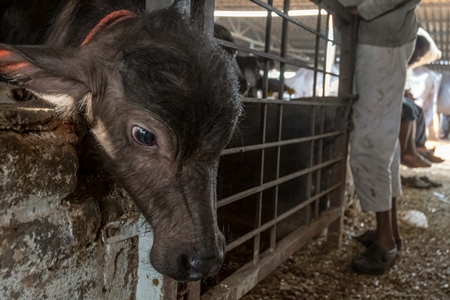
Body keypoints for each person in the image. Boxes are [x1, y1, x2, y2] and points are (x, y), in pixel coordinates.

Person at [338, 0, 420, 275]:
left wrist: (367, 8)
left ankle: (386, 244)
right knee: (382, 137)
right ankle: (390, 231)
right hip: (379, 34)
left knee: (369, 140)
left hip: (380, 34)